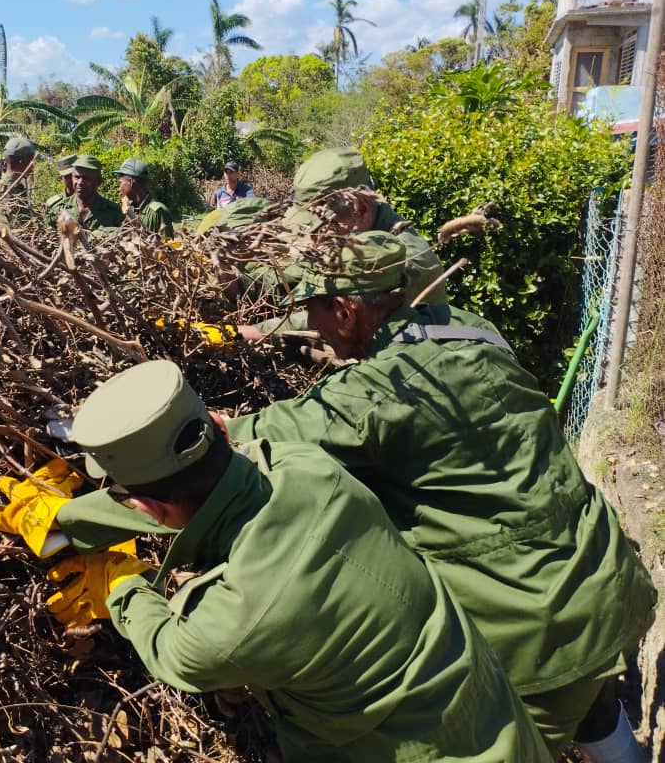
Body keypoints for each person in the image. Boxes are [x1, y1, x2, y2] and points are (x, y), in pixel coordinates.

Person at [224, 230, 658, 761]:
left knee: (516, 746)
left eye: (312, 311)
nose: (308, 324)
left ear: (344, 312)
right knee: (593, 702)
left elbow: (245, 438)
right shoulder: (474, 330)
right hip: (602, 578)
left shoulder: (370, 395)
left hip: (535, 628)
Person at [0, 360, 549, 762]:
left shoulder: (227, 627)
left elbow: (168, 646)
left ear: (145, 503)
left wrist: (119, 584)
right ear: (216, 424)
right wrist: (70, 522)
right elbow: (210, 497)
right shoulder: (306, 467)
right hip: (499, 721)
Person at [239, 147, 448, 343]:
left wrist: (253, 332)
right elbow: (298, 273)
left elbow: (337, 318)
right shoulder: (351, 241)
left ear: (361, 210)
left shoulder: (404, 263)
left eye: (322, 226)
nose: (316, 237)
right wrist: (241, 284)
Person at [50, 155, 123, 232]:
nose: (80, 182)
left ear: (99, 181)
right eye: (77, 177)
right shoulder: (57, 208)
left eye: (87, 178)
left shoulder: (114, 212)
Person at [113, 158, 174, 238]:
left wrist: (132, 217)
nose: (119, 188)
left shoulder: (158, 212)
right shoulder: (127, 208)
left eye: (120, 183)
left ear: (130, 182)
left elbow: (168, 247)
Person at [0, 136, 36, 221]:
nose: (33, 166)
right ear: (21, 162)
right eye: (31, 162)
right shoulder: (8, 189)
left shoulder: (15, 185)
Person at [45, 153, 77, 225]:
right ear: (61, 178)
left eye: (76, 175)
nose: (73, 179)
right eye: (68, 176)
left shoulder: (94, 201)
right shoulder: (53, 205)